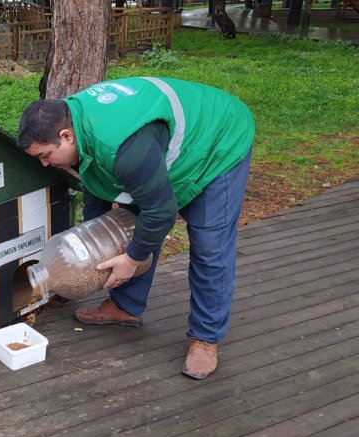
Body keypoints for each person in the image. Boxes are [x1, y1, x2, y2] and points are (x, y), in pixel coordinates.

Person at [16, 77, 254, 379]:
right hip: (154, 155)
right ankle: (126, 306)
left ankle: (206, 338)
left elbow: (161, 212)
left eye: (44, 156)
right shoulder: (80, 128)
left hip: (217, 141)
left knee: (210, 247)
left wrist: (131, 260)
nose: (45, 165)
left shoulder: (123, 147)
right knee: (126, 227)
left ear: (66, 136)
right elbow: (98, 189)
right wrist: (95, 238)